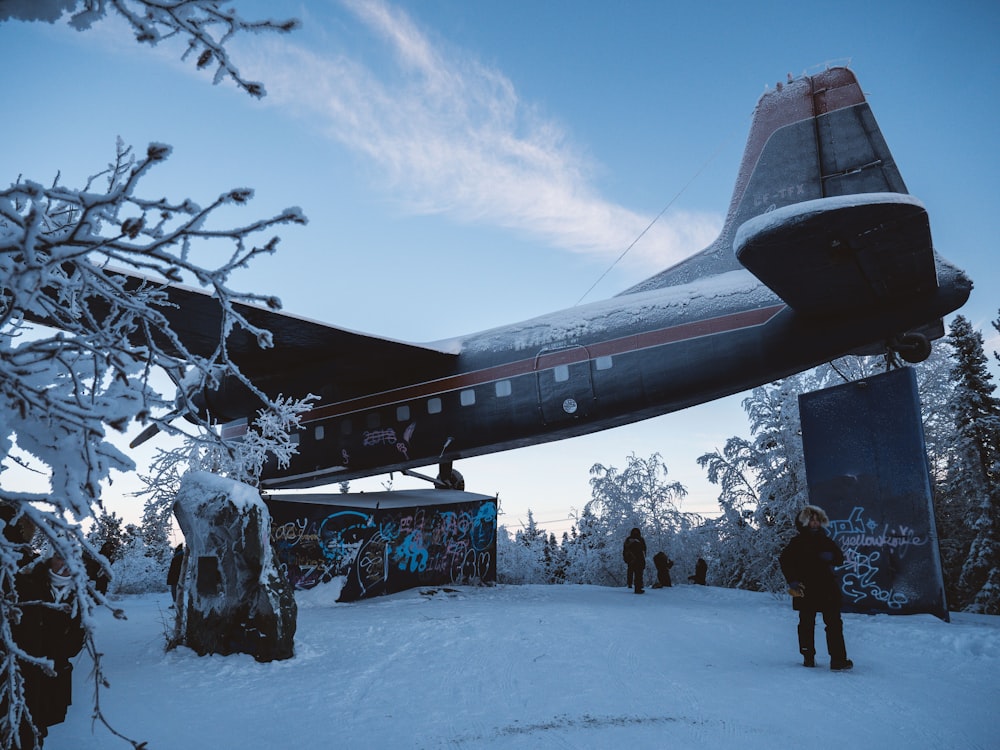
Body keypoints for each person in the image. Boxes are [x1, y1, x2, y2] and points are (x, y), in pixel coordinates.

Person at [779, 504, 853, 670]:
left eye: (817, 520)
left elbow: (839, 558)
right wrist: (792, 581)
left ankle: (838, 659)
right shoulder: (797, 543)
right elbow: (785, 561)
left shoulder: (825, 540)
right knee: (806, 623)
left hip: (827, 587)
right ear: (804, 522)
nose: (815, 523)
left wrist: (832, 556)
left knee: (834, 623)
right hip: (805, 588)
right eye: (812, 520)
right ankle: (808, 656)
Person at [622, 528, 646, 594]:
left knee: (636, 573)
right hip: (636, 559)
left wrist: (626, 559)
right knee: (638, 574)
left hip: (633, 560)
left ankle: (636, 586)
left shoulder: (629, 540)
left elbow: (644, 549)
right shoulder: (640, 539)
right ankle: (637, 588)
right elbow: (644, 549)